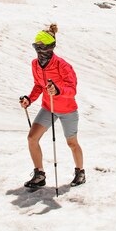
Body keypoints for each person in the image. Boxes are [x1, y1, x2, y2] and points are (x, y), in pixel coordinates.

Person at [19, 23, 86, 189]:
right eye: (37, 47)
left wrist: (57, 90)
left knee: (72, 143)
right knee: (32, 138)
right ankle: (39, 174)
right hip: (48, 108)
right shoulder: (35, 64)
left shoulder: (62, 65)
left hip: (67, 109)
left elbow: (72, 89)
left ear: (51, 47)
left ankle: (80, 172)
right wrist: (29, 99)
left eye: (43, 47)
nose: (40, 50)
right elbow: (38, 85)